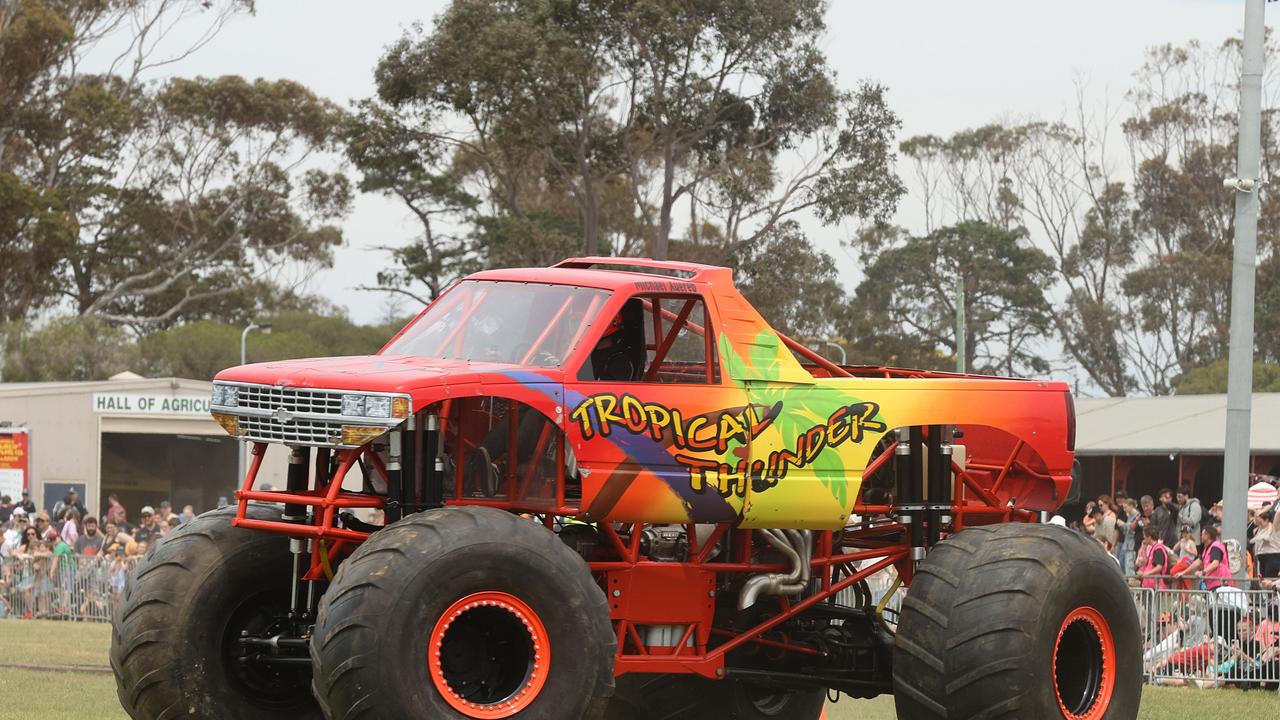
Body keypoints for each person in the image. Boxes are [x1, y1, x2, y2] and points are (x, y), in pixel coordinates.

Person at [1177, 525, 1235, 591]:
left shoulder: (1216, 546)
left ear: (1208, 535)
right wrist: (1183, 572)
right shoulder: (1206, 549)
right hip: (1214, 584)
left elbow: (1215, 563)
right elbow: (1197, 563)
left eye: (1202, 534)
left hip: (1222, 584)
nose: (1201, 536)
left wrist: (1202, 572)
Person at [1138, 525, 1173, 590]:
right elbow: (1146, 563)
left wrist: (1146, 574)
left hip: (1155, 585)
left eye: (1145, 536)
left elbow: (1159, 567)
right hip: (1149, 585)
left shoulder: (1158, 549)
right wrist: (1144, 549)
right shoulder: (1153, 548)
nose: (1144, 538)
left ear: (1149, 537)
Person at [1252, 509, 1280, 578]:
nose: (1259, 524)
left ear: (1267, 520)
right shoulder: (1258, 530)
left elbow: (1278, 513)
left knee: (1270, 580)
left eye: (1261, 522)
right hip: (1261, 557)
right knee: (1262, 581)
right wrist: (1261, 512)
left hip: (1272, 556)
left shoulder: (1274, 527)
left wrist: (1270, 506)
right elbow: (1255, 517)